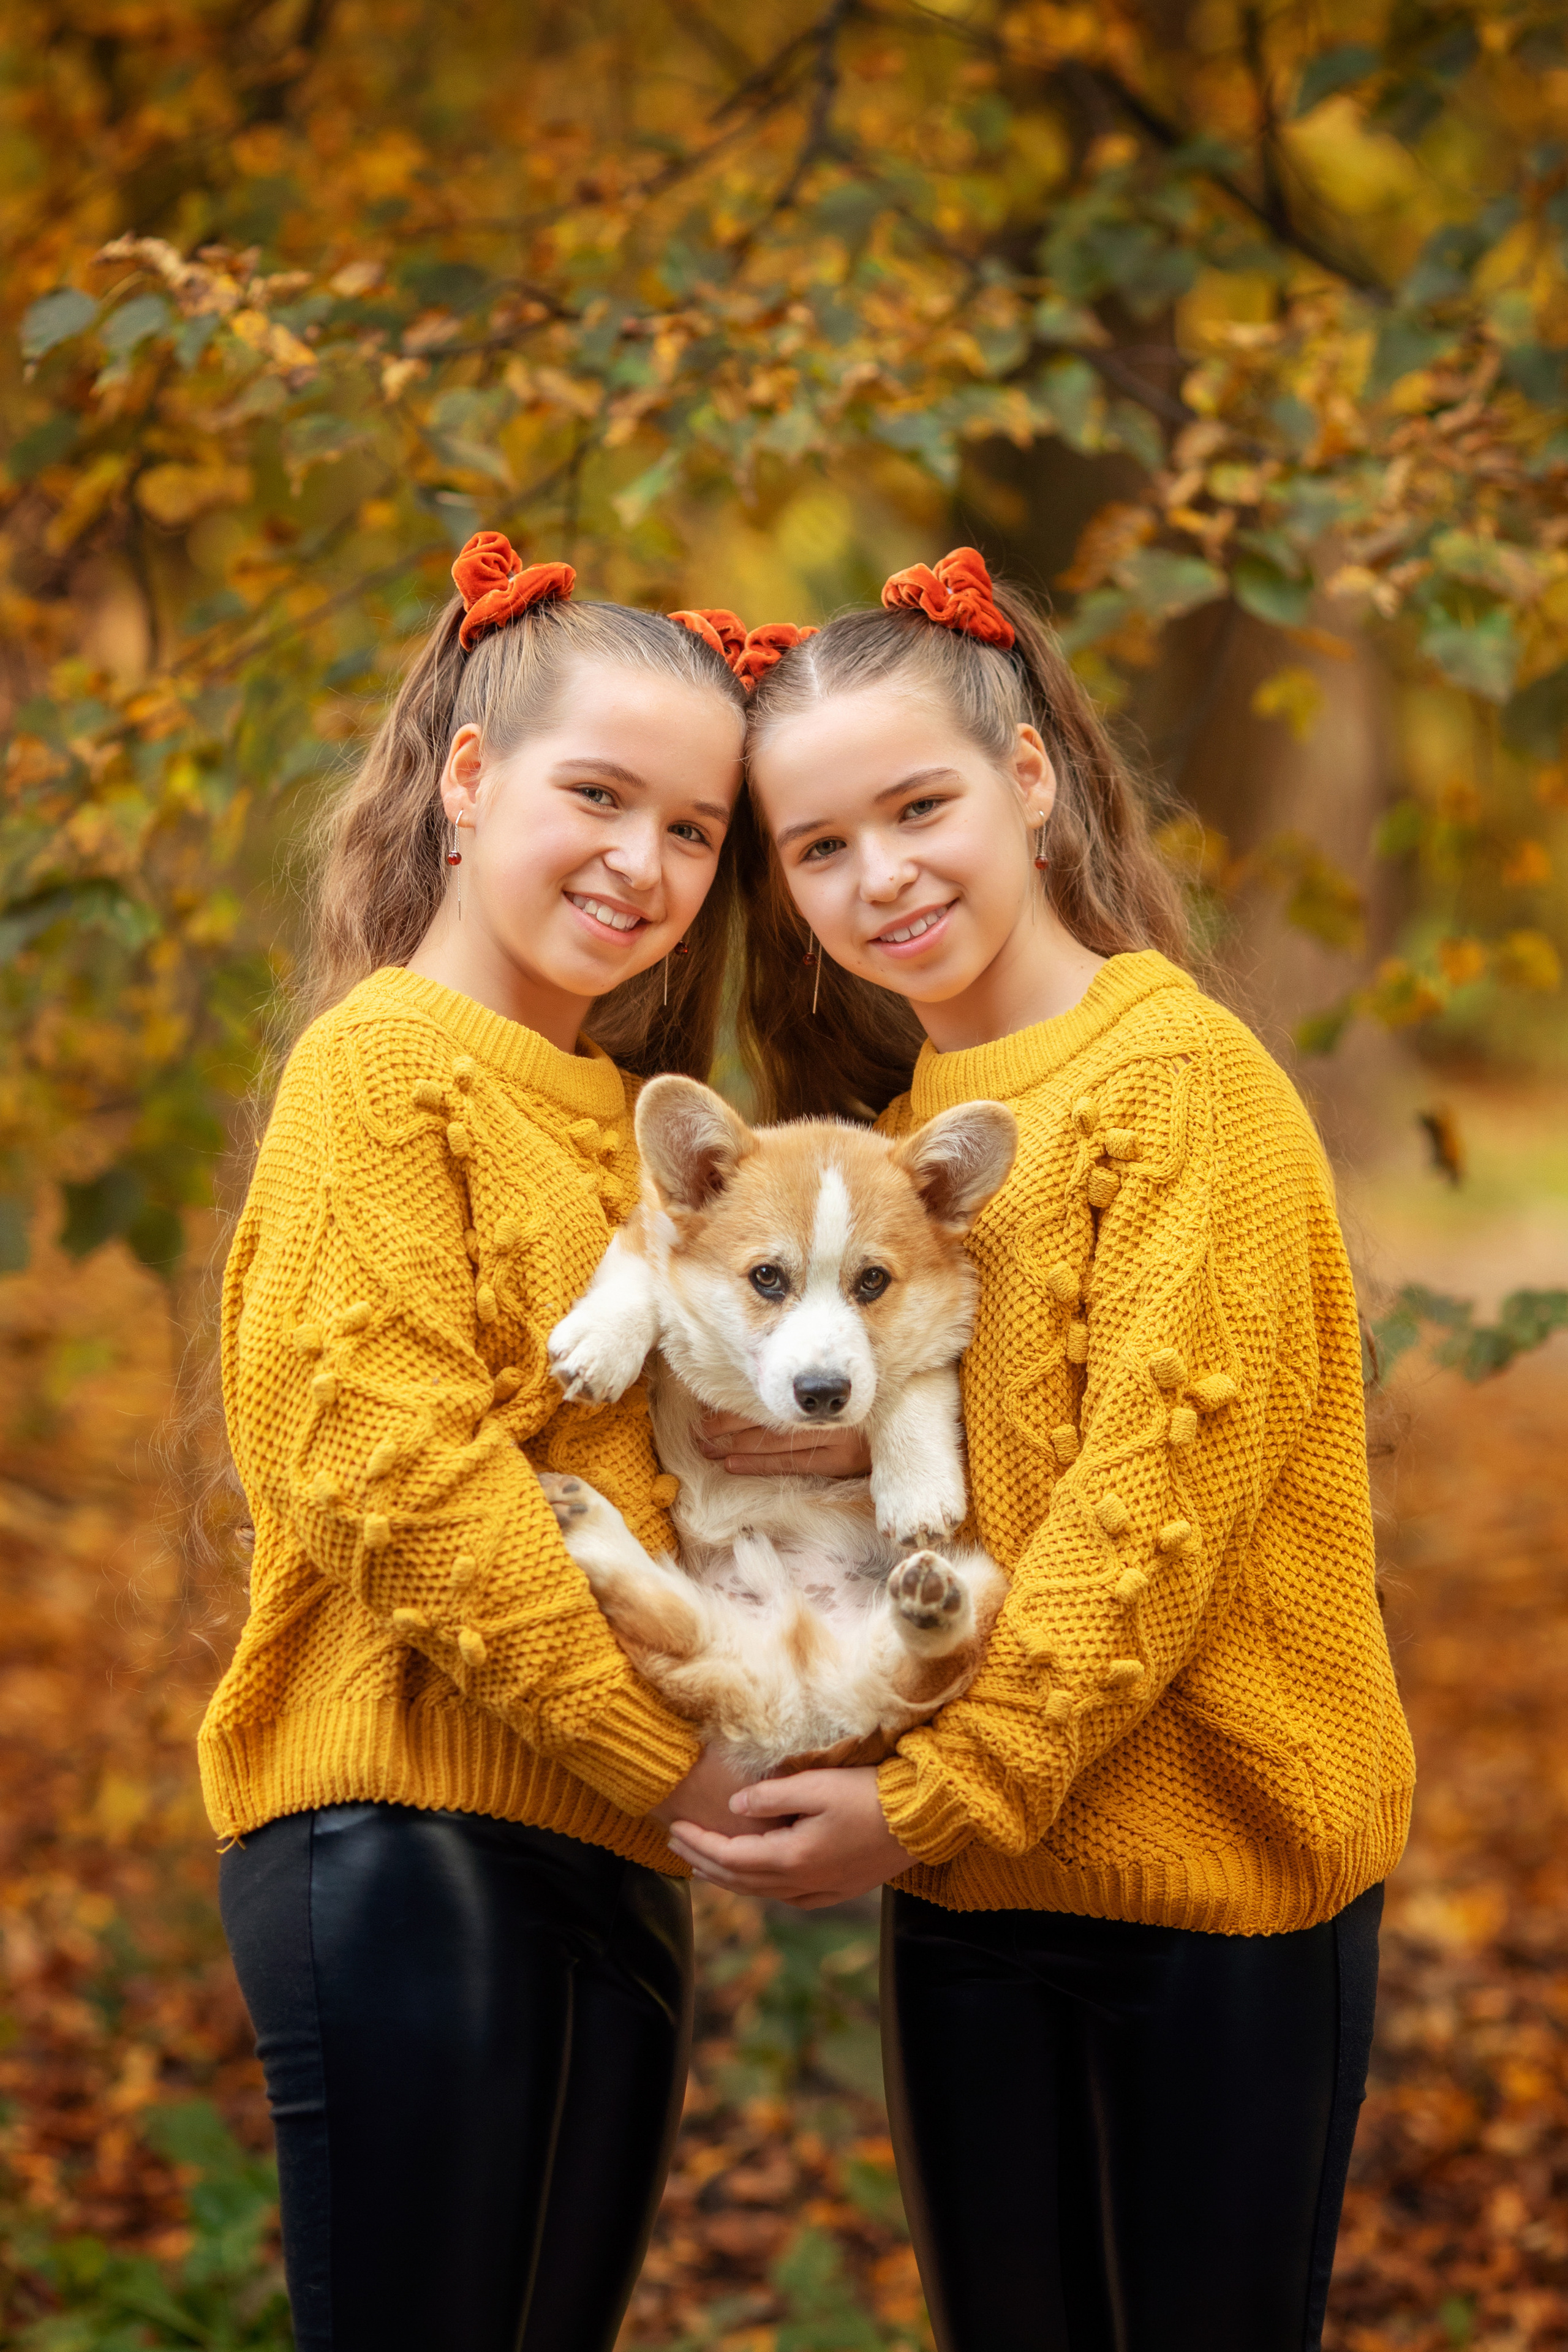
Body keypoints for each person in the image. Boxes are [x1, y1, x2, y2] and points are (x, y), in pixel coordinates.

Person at [665, 548, 1417, 2352]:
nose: (881, 879)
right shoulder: (895, 1154)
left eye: (917, 807)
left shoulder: (1184, 1087)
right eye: (818, 848)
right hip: (980, 1885)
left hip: (1212, 1888)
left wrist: (922, 1802)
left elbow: (1145, 1525)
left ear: (1029, 779)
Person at [205, 540, 846, 2352]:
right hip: (409, 1830)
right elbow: (390, 1476)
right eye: (596, 796)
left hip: (612, 1835)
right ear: (469, 785)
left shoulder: (629, 1127)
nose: (641, 865)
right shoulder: (384, 1066)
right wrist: (670, 1761)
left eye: (694, 830)